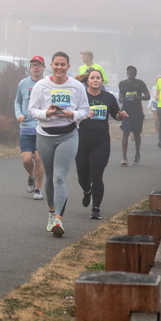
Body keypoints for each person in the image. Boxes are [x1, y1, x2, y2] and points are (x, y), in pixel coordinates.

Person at [28, 51, 90, 238]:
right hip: (45, 135)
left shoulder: (77, 86)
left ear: (68, 67)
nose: (59, 67)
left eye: (63, 65)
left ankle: (58, 220)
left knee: (60, 177)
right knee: (49, 177)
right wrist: (47, 113)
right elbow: (32, 110)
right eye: (56, 64)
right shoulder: (42, 85)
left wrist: (72, 115)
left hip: (68, 135)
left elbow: (85, 110)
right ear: (51, 65)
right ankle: (51, 211)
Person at [75, 70, 126, 220]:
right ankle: (87, 191)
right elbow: (73, 115)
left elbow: (116, 115)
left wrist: (120, 116)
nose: (95, 80)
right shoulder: (80, 96)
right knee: (82, 176)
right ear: (87, 81)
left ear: (102, 81)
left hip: (101, 140)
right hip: (82, 140)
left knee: (97, 175)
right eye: (92, 78)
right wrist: (84, 115)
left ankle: (96, 208)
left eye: (98, 78)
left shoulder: (108, 97)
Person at [15, 56, 46, 199]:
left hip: (42, 127)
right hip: (26, 127)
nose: (35, 68)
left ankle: (38, 189)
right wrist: (19, 114)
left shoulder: (48, 84)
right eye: (33, 65)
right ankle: (31, 176)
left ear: (44, 67)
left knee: (39, 159)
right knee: (27, 160)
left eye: (38, 65)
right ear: (30, 68)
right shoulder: (23, 83)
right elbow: (17, 102)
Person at [117, 66, 149, 166]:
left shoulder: (140, 83)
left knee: (136, 133)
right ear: (126, 72)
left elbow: (148, 96)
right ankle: (124, 157)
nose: (130, 72)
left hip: (137, 112)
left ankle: (137, 154)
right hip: (126, 111)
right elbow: (120, 95)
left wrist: (138, 97)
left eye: (132, 71)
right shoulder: (122, 83)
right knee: (125, 132)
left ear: (135, 73)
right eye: (129, 70)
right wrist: (121, 99)